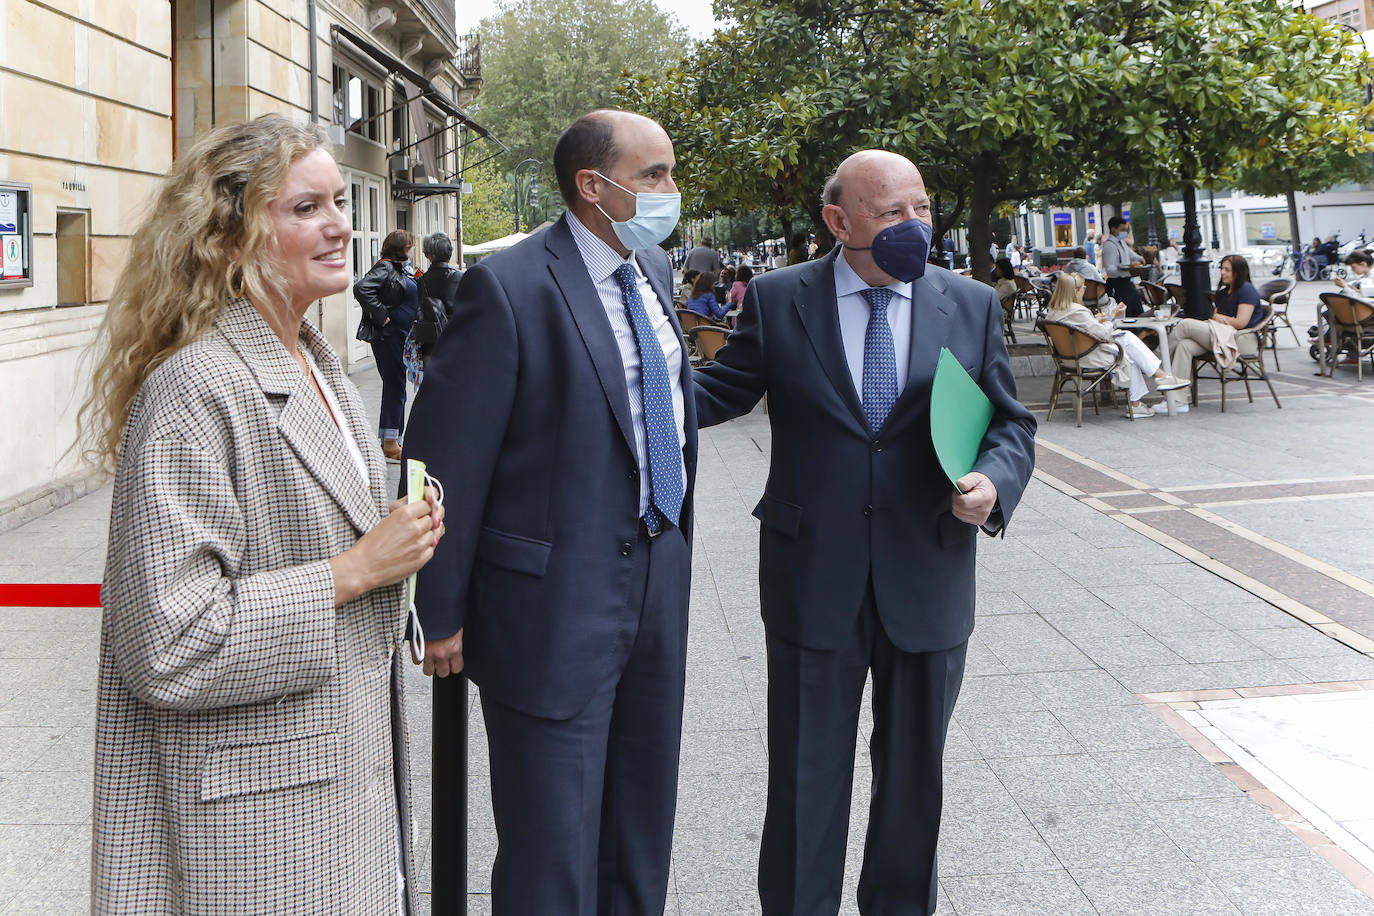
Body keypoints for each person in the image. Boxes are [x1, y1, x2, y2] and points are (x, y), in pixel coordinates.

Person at [81, 115, 443, 913]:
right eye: (305, 208)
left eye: (340, 202)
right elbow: (169, 644)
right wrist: (355, 571)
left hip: (333, 790)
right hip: (256, 824)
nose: (341, 226)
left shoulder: (316, 363)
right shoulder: (195, 387)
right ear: (232, 234)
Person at [694, 150, 1036, 915]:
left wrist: (994, 482)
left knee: (915, 782)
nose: (913, 227)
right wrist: (621, 376)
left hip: (930, 572)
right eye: (891, 214)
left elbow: (1010, 426)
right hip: (813, 575)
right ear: (837, 220)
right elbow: (719, 393)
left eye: (921, 209)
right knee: (805, 780)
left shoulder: (969, 303)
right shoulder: (782, 300)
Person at [403, 109, 696, 915]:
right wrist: (440, 609)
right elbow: (448, 455)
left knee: (641, 827)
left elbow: (657, 416)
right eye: (655, 175)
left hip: (655, 590)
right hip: (550, 609)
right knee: (551, 849)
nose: (672, 191)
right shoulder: (511, 285)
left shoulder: (655, 274)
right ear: (592, 187)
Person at [1045, 271, 1186, 418]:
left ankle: (1141, 399)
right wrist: (1112, 318)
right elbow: (1103, 333)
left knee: (1127, 345)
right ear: (1075, 291)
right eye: (1083, 288)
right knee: (1127, 342)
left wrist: (1104, 319)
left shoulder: (1054, 311)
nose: (1085, 291)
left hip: (1068, 358)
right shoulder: (1078, 311)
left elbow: (1086, 328)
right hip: (1089, 357)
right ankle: (1158, 380)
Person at [1164, 253, 1263, 412]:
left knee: (1185, 325)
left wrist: (1220, 317)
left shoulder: (1247, 290)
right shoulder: (1223, 293)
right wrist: (1220, 318)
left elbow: (1240, 323)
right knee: (1184, 345)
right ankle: (1177, 400)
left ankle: (1157, 361)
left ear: (1238, 272)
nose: (1222, 272)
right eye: (1222, 268)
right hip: (1221, 336)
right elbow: (1217, 319)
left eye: (1227, 269)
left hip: (1241, 340)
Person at [355, 229, 418, 459]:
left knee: (397, 385)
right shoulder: (384, 267)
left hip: (401, 335)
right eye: (410, 246)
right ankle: (390, 444)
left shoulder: (401, 268)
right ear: (401, 248)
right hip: (389, 336)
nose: (412, 250)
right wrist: (382, 315)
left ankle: (393, 438)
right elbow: (361, 288)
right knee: (395, 385)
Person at [413, 231, 463, 365]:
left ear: (428, 255)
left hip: (429, 339)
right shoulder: (457, 277)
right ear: (449, 252)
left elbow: (421, 307)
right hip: (453, 339)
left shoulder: (421, 279)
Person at [1102, 215, 1145, 316]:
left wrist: (1140, 258)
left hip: (1127, 283)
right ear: (1113, 229)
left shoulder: (1121, 242)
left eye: (1125, 230)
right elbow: (1110, 269)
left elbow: (1129, 253)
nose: (1124, 232)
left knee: (1137, 309)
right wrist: (1127, 269)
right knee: (1126, 313)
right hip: (1118, 285)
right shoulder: (1109, 245)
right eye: (1122, 229)